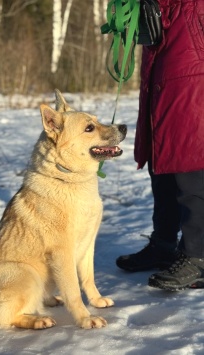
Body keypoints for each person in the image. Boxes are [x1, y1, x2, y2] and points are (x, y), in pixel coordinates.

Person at [116, 0, 204, 291]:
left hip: (191, 55)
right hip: (162, 54)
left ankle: (197, 256)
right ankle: (164, 244)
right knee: (161, 157)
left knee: (190, 160)